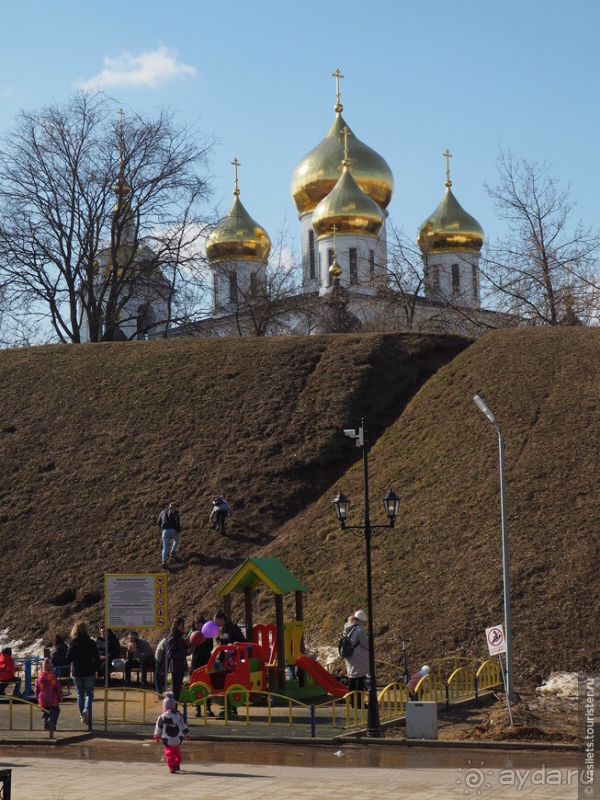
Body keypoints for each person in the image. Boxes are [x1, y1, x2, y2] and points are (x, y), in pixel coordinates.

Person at [66, 620, 101, 725]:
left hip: (77, 671)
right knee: (89, 694)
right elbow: (96, 657)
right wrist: (98, 669)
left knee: (80, 694)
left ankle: (82, 715)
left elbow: (68, 658)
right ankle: (86, 709)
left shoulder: (72, 643)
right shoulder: (91, 642)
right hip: (89, 670)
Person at [153, 692, 190, 774]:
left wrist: (157, 736)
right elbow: (184, 725)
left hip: (167, 739)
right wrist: (187, 734)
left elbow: (158, 727)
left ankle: (172, 766)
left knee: (169, 754)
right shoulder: (178, 716)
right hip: (177, 739)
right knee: (177, 753)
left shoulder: (162, 717)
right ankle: (177, 763)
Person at [189, 615, 214, 718]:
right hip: (196, 661)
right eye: (197, 625)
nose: (199, 627)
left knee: (207, 684)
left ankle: (208, 708)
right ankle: (198, 709)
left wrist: (203, 642)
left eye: (200, 625)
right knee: (196, 685)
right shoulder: (192, 634)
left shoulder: (208, 635)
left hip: (206, 661)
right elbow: (189, 646)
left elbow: (210, 647)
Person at [342, 610, 369, 706]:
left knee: (351, 678)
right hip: (358, 656)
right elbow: (364, 643)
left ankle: (353, 702)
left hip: (349, 655)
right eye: (364, 621)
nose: (364, 623)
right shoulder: (359, 629)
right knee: (359, 679)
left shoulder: (347, 627)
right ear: (361, 620)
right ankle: (360, 703)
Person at [34, 657, 63, 730]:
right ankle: (52, 722)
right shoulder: (52, 677)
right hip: (52, 699)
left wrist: (37, 696)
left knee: (45, 712)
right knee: (56, 710)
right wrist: (60, 695)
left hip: (42, 699)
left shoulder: (39, 677)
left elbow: (37, 688)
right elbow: (57, 687)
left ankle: (45, 724)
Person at [167, 617, 188, 701]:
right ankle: (173, 709)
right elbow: (171, 654)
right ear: (177, 626)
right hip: (176, 667)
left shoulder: (180, 637)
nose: (183, 627)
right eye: (182, 625)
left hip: (180, 666)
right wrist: (185, 652)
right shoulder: (173, 638)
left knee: (178, 689)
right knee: (175, 690)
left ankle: (174, 709)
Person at [157, 502, 181, 567]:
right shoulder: (175, 512)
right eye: (175, 507)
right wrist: (178, 531)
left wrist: (162, 527)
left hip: (165, 531)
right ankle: (172, 551)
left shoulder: (163, 512)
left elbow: (158, 522)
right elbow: (177, 522)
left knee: (165, 547)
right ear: (173, 506)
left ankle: (164, 561)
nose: (176, 508)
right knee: (176, 540)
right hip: (173, 530)